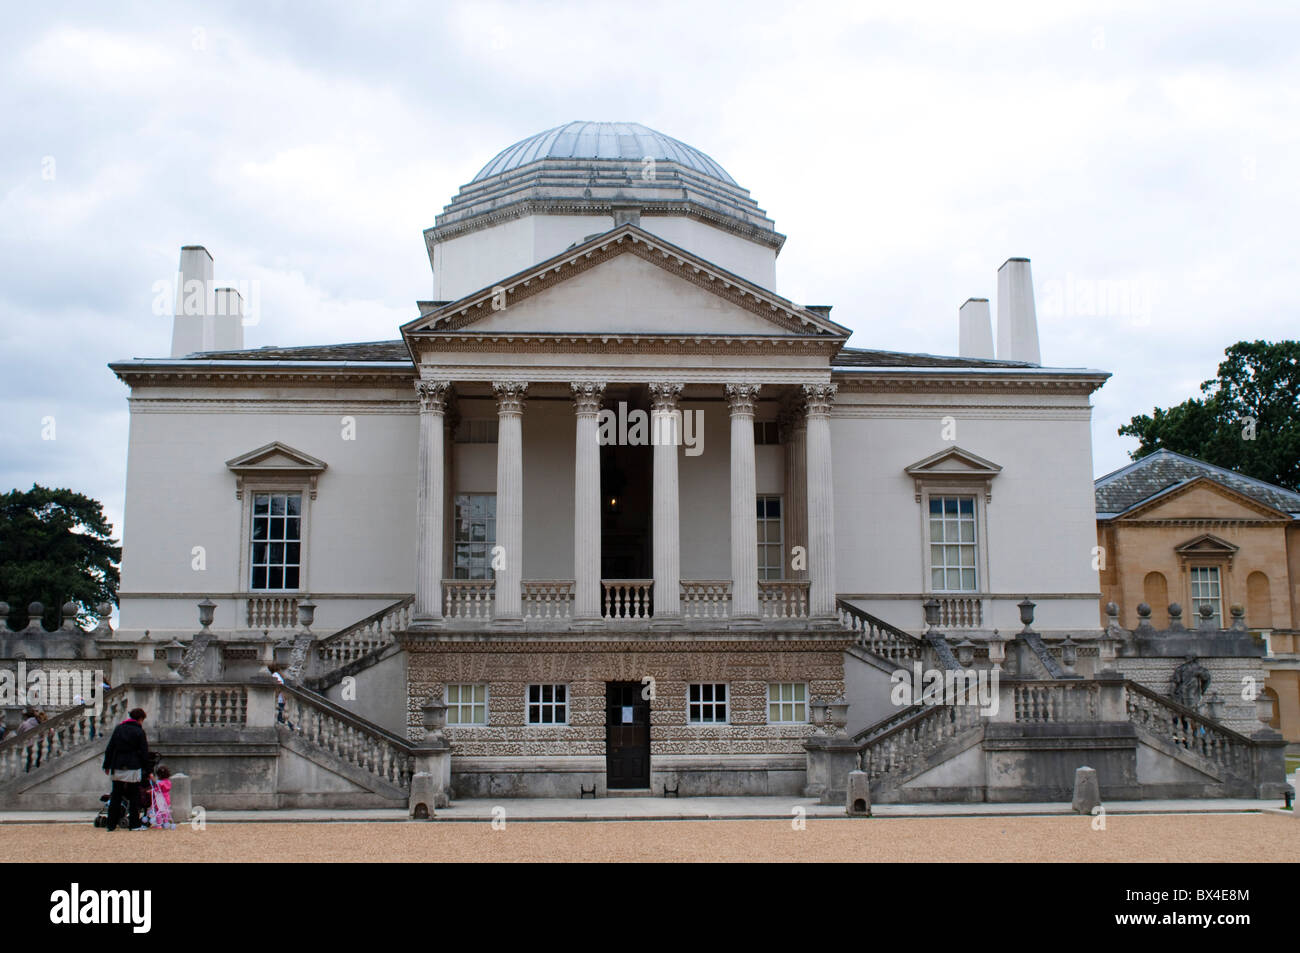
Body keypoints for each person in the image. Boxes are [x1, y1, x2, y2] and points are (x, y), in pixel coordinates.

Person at [102, 707, 150, 831]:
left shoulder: (119, 729)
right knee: (134, 796)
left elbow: (110, 748)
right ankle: (134, 824)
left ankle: (111, 824)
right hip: (133, 765)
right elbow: (144, 753)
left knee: (116, 795)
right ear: (140, 719)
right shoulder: (139, 732)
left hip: (118, 764)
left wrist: (106, 765)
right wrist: (148, 770)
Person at [149, 765, 175, 830]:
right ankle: (165, 822)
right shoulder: (168, 782)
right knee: (165, 811)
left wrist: (150, 791)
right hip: (166, 798)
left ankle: (159, 824)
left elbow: (156, 789)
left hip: (160, 799)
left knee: (159, 812)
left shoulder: (160, 783)